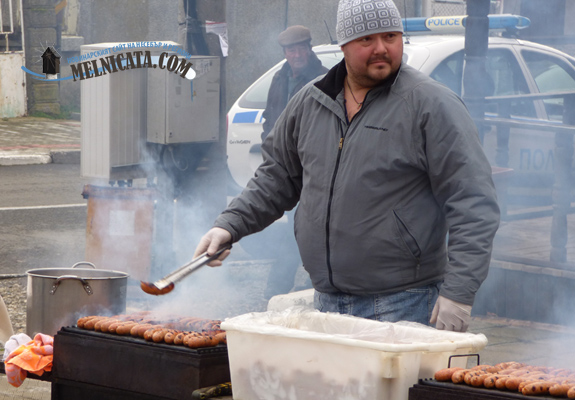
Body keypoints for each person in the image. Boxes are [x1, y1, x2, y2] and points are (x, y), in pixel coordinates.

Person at [195, 0, 500, 332]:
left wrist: (458, 293)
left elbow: (473, 203)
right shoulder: (310, 102)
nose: (381, 48)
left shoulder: (431, 105)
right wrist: (229, 225)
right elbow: (276, 177)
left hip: (405, 304)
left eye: (390, 36)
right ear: (344, 45)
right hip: (327, 301)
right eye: (367, 39)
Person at [258, 25, 328, 299]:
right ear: (285, 53)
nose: (296, 54)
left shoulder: (323, 80)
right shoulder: (279, 77)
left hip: (311, 171)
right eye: (291, 50)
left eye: (301, 48)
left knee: (312, 230)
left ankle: (321, 288)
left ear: (309, 49)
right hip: (284, 169)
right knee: (290, 230)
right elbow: (269, 118)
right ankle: (277, 289)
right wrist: (270, 148)